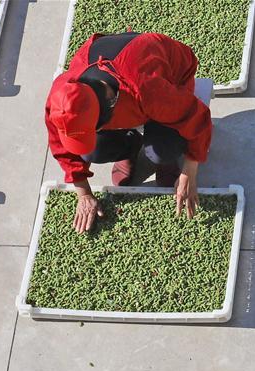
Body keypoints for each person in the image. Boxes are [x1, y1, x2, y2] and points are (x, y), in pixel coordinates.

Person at [45, 32, 212, 233]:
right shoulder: (62, 99)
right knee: (93, 151)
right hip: (130, 87)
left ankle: (166, 162)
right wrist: (84, 194)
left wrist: (189, 172)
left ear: (110, 103)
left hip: (170, 76)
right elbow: (60, 146)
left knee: (162, 151)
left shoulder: (147, 90)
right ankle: (129, 149)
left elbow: (197, 117)